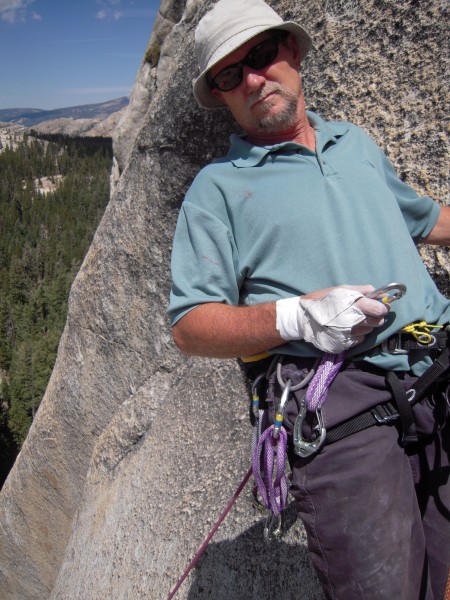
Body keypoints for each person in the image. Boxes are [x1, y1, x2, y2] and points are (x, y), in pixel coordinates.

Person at [168, 0, 450, 598]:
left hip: (436, 368)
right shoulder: (216, 190)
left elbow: (424, 220)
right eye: (229, 75)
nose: (252, 79)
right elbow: (191, 325)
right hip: (338, 398)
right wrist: (298, 316)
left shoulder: (355, 144)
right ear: (220, 95)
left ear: (291, 52)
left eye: (262, 56)